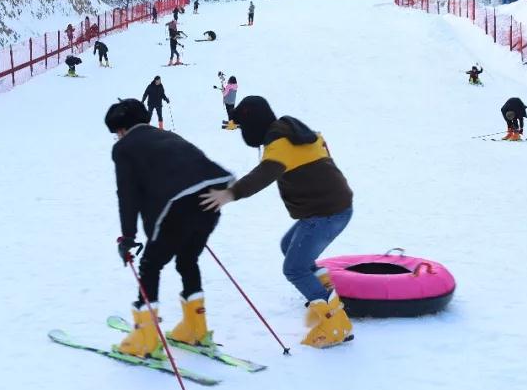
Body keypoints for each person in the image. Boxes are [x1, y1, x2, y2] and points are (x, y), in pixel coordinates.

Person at [200, 96, 354, 348]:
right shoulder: (298, 133)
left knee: (294, 268)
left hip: (325, 214)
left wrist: (229, 194)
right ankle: (324, 294)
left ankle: (335, 324)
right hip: (333, 208)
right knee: (288, 246)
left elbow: (263, 175)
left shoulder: (279, 143)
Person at [106, 99, 233, 357]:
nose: (117, 137)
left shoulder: (124, 148)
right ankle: (195, 329)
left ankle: (145, 339)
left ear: (121, 128)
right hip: (210, 201)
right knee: (187, 260)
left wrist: (128, 237)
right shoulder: (168, 136)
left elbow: (127, 194)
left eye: (116, 132)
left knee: (150, 265)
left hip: (176, 209)